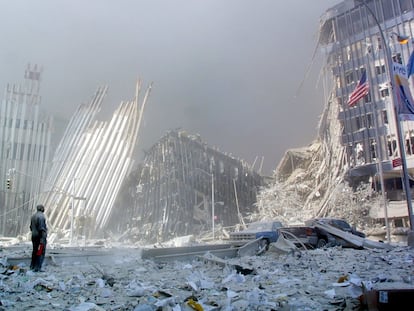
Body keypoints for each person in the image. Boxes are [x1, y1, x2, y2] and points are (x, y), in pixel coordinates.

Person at [30, 204, 48, 272]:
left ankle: (32, 266)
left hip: (34, 236)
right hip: (40, 238)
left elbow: (31, 227)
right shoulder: (41, 216)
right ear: (42, 209)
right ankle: (38, 267)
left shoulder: (33, 216)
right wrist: (43, 238)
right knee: (40, 252)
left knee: (34, 251)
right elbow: (41, 228)